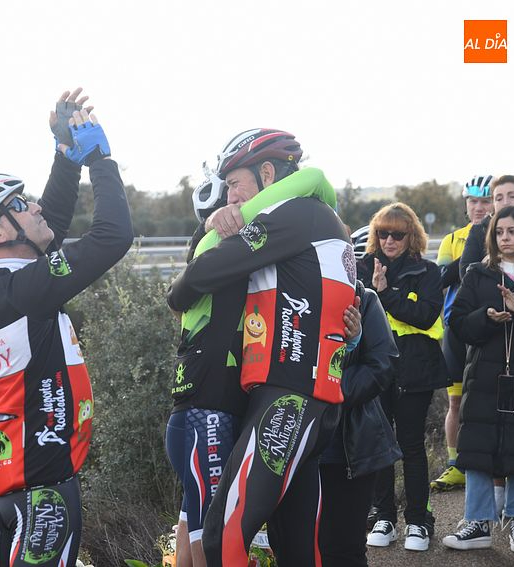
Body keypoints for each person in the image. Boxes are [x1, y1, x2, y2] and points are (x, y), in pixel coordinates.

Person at [0, 89, 132, 567]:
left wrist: (65, 156)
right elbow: (113, 236)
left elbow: (49, 229)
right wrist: (100, 159)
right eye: (20, 204)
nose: (36, 207)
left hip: (12, 480)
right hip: (40, 486)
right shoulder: (25, 289)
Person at [168, 128, 357, 567]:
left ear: (268, 173)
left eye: (235, 184)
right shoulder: (317, 216)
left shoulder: (294, 212)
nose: (230, 197)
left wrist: (211, 233)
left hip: (287, 395)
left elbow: (199, 276)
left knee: (223, 536)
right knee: (296, 545)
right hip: (309, 396)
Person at [166, 172, 250, 567]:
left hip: (192, 409)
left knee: (192, 525)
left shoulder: (202, 260)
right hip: (208, 412)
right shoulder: (219, 254)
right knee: (211, 539)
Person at [357, 203, 449, 552]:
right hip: (375, 370)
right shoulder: (362, 268)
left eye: (397, 234)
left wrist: (384, 294)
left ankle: (418, 521)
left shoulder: (427, 271)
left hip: (416, 370)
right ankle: (383, 517)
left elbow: (424, 315)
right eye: (383, 233)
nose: (389, 240)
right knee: (379, 445)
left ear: (411, 236)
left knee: (410, 446)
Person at [442, 206, 514, 554]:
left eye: (513, 231)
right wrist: (486, 317)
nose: (505, 238)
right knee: (476, 447)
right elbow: (458, 322)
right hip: (482, 377)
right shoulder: (478, 273)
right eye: (499, 232)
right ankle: (477, 522)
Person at [318, 230, 402, 567]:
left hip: (350, 445)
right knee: (300, 545)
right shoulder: (287, 299)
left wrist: (329, 390)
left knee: (345, 547)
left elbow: (382, 364)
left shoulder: (363, 299)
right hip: (296, 444)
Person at [431, 176, 494, 491]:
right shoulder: (451, 239)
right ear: (466, 204)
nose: (479, 207)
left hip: (492, 328)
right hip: (456, 330)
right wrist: (470, 255)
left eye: (485, 201)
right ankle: (456, 465)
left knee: (493, 401)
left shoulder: (506, 233)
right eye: (473, 201)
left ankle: (497, 466)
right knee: (455, 402)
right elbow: (441, 278)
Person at [460, 175, 514, 278]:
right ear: (494, 204)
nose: (505, 203)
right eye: (499, 198)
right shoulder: (479, 231)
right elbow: (465, 273)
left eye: (512, 196)